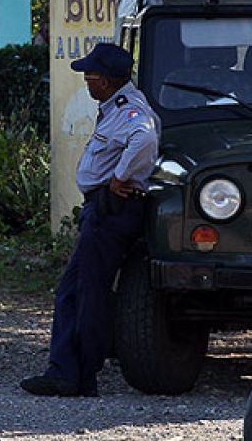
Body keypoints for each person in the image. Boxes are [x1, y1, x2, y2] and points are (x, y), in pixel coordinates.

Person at [21, 42, 160, 397]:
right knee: (80, 288)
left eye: (91, 76)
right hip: (105, 207)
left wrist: (120, 176)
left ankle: (74, 373)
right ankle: (74, 370)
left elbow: (145, 136)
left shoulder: (130, 110)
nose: (86, 81)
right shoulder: (114, 106)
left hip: (111, 209)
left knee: (85, 290)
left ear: (108, 81)